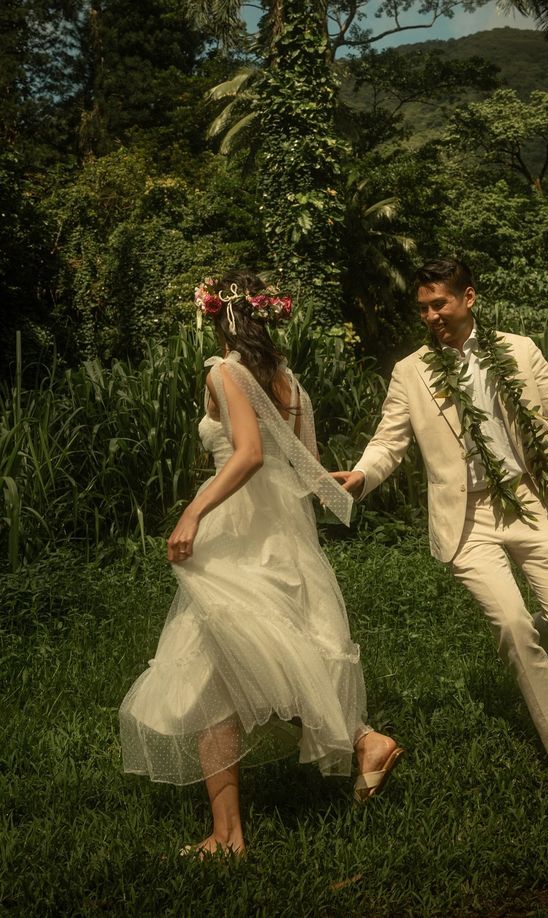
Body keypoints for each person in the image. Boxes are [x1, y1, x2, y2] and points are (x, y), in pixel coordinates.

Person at [119, 270, 402, 859]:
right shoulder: (290, 383)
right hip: (286, 532)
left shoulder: (224, 372)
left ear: (215, 317)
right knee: (253, 664)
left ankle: (231, 838)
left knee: (209, 676)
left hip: (242, 530)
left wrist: (193, 511)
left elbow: (247, 456)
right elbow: (308, 467)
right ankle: (358, 744)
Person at [332, 257, 548, 775]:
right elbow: (388, 442)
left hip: (529, 499)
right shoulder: (410, 372)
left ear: (469, 298)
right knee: (511, 622)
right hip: (466, 519)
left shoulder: (519, 350)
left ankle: (524, 656)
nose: (431, 315)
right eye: (423, 308)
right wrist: (361, 477)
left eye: (440, 303)